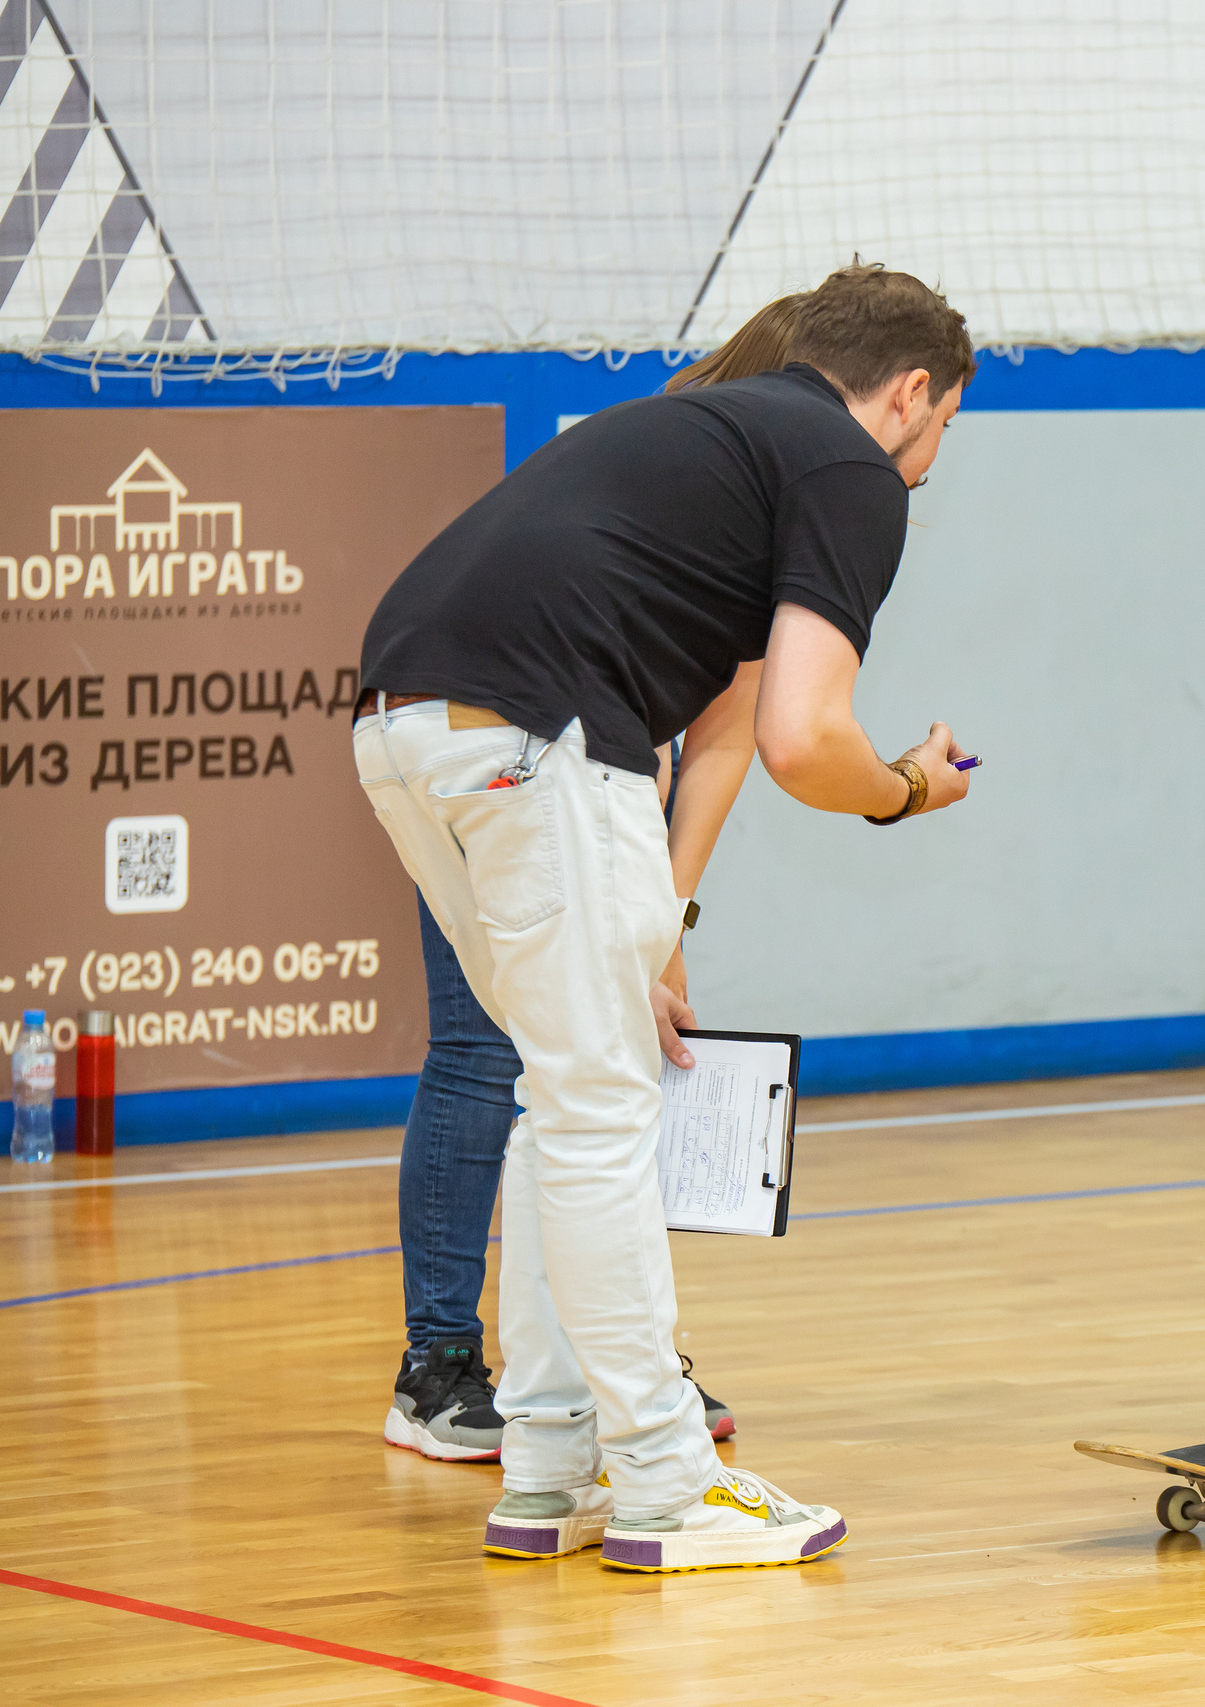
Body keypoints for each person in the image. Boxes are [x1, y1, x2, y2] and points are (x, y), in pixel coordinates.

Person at [355, 262, 977, 1573]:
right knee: (592, 1109)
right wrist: (906, 789)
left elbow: (737, 725)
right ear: (913, 392)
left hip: (406, 723)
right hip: (539, 735)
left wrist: (661, 919)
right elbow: (814, 740)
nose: (932, 462)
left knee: (560, 1090)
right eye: (945, 426)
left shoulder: (710, 437)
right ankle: (664, 1480)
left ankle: (546, 1465)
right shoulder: (849, 468)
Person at [381, 299, 812, 1467]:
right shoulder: (728, 473)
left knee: (570, 1082)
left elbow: (700, 725)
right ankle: (459, 1371)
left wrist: (658, 921)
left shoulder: (712, 469)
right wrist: (655, 926)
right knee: (517, 1062)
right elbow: (681, 732)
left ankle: (578, 1384)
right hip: (515, 757)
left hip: (502, 755)